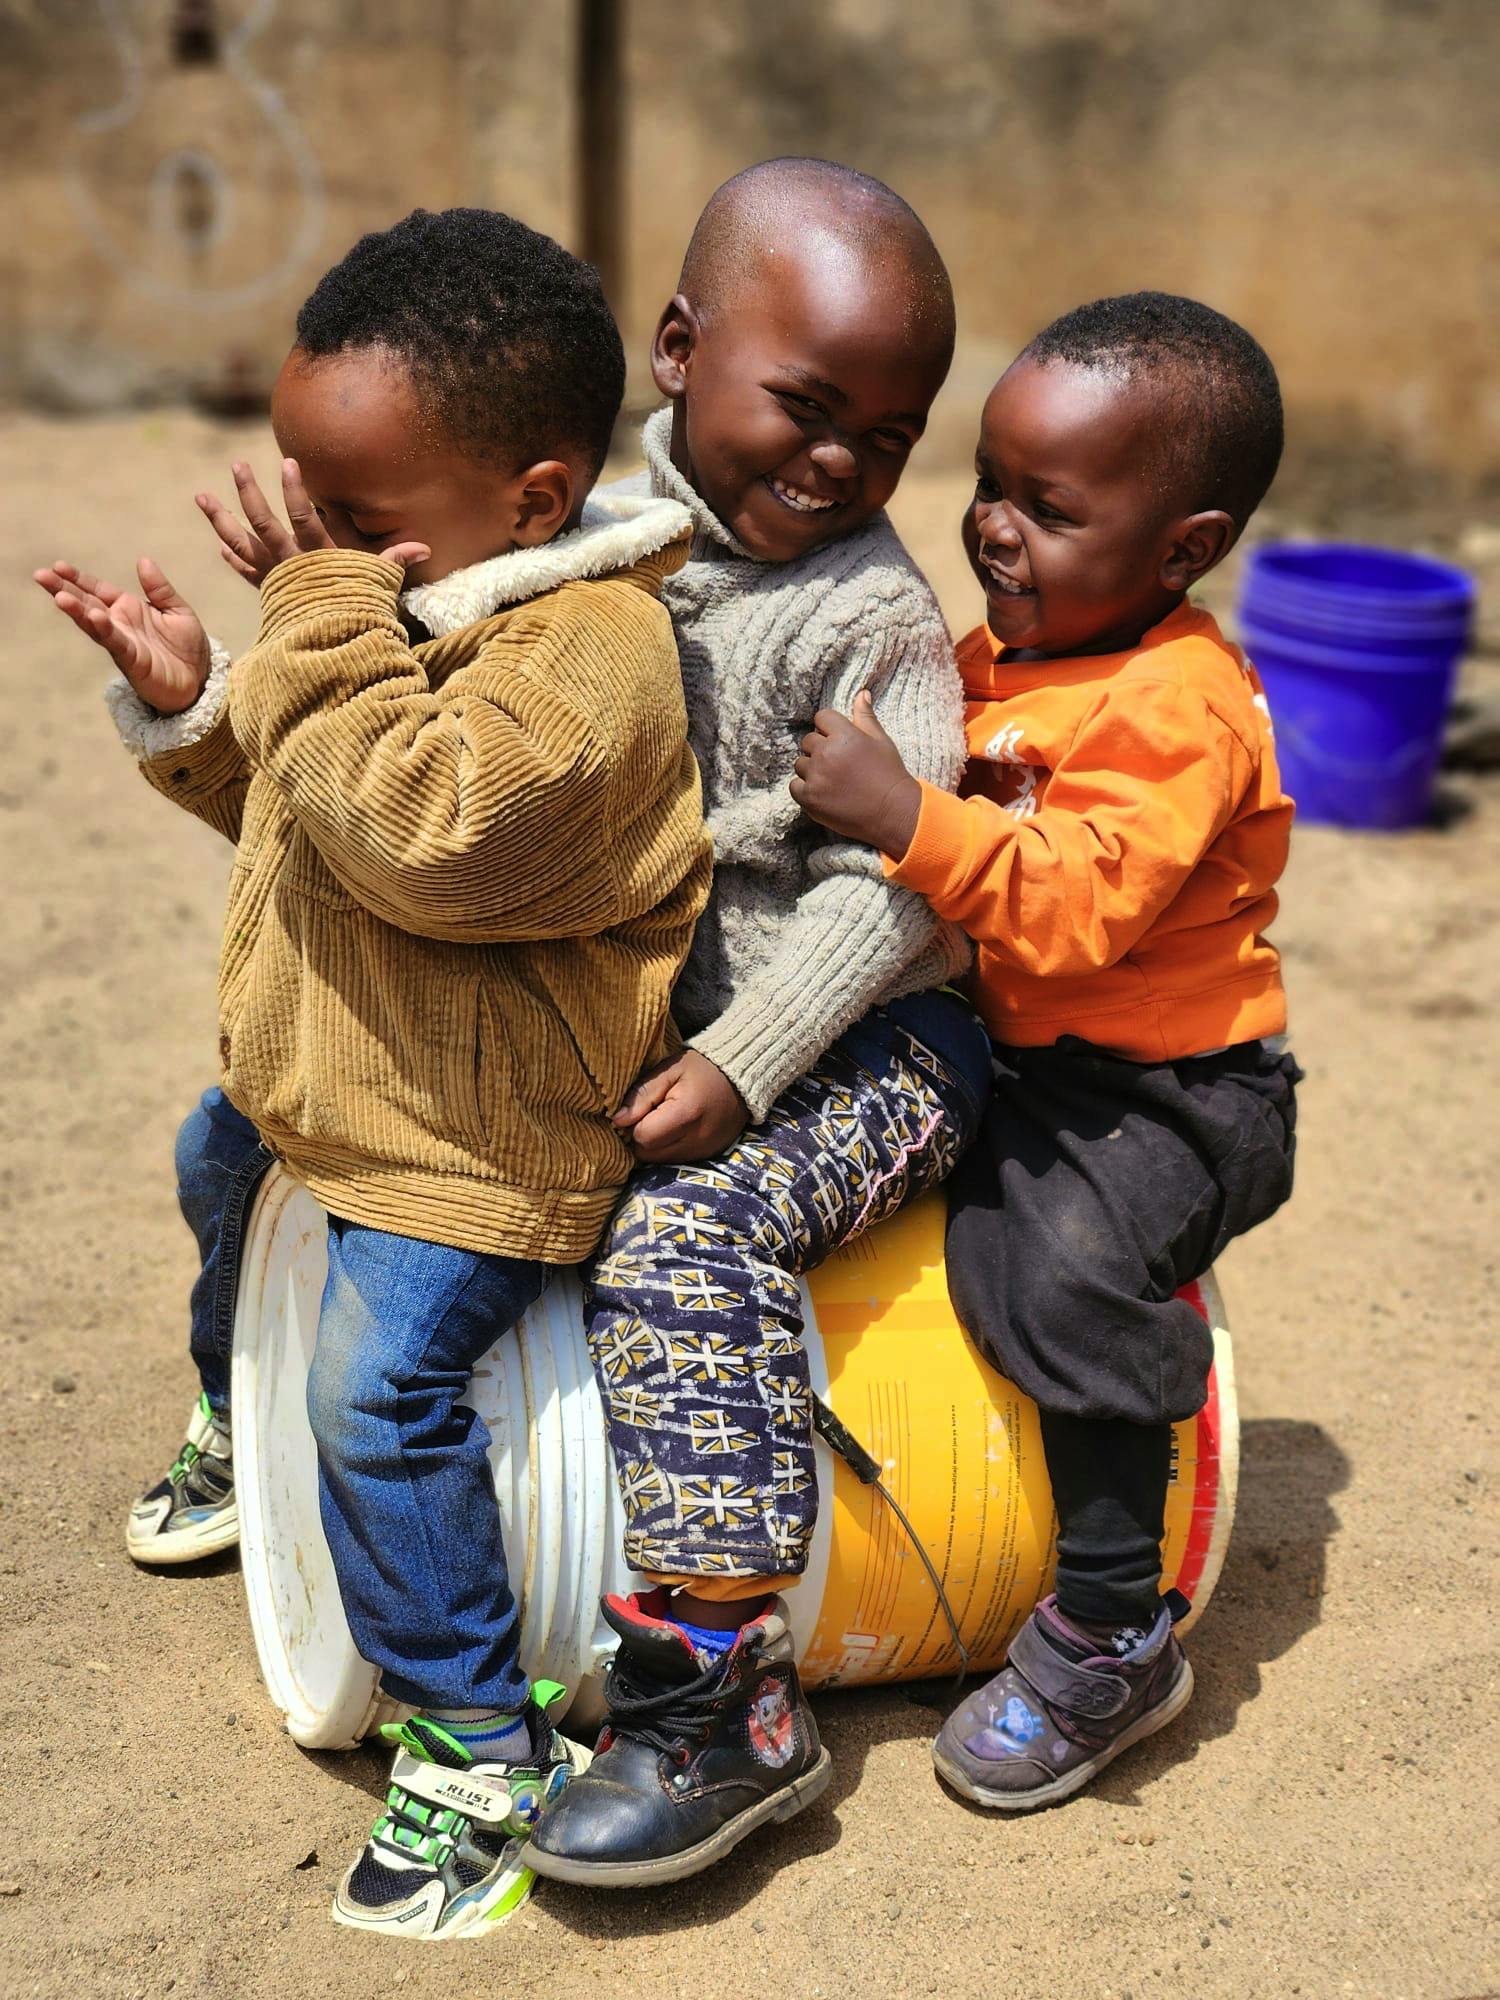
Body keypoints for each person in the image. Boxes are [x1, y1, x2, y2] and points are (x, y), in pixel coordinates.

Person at [34, 207, 711, 1937]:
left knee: (377, 1393)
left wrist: (317, 618)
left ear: (537, 501)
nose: (317, 556)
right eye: (305, 509)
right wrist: (202, 713)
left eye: (357, 523)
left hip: (478, 1148)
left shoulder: (595, 656)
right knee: (213, 1167)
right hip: (334, 1097)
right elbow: (312, 801)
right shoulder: (397, 598)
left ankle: (482, 1743)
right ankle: (227, 1427)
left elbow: (425, 837)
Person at [522, 158, 992, 1890]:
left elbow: (902, 888)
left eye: (890, 432)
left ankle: (730, 1689)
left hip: (879, 1041)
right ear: (673, 348)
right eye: (806, 404)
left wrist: (747, 1059)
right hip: (678, 1023)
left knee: (683, 1232)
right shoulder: (578, 539)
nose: (841, 461)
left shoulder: (875, 620)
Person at [790, 291, 1301, 1810]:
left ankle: (1108, 1623)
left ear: (1184, 547)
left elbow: (1075, 908)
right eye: (991, 487)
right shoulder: (1004, 653)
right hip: (1024, 1055)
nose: (997, 530)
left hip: (1174, 1092)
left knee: (1051, 1264)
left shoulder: (1180, 706)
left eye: (1050, 508)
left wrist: (905, 815)